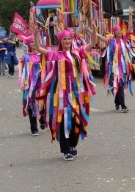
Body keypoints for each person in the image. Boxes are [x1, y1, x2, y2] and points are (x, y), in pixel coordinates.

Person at [30, 19, 97, 161]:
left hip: (77, 93)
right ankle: (65, 149)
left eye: (69, 39)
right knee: (62, 120)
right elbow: (39, 48)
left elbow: (92, 43)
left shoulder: (77, 53)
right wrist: (36, 35)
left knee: (76, 120)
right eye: (64, 39)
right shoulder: (55, 54)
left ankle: (73, 144)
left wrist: (94, 31)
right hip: (60, 95)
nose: (67, 41)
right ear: (60, 40)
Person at [96, 8, 135, 112]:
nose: (119, 31)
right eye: (117, 30)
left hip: (123, 68)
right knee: (117, 85)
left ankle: (119, 103)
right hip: (113, 68)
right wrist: (90, 29)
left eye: (120, 30)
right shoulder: (111, 41)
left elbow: (130, 29)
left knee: (121, 86)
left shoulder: (125, 39)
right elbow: (99, 37)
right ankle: (122, 105)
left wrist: (130, 15)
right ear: (114, 32)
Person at [17, 35, 46, 136]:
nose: (34, 43)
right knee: (30, 104)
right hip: (29, 86)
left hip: (41, 84)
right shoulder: (25, 57)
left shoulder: (42, 55)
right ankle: (33, 128)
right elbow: (22, 72)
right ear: (28, 44)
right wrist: (22, 83)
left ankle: (42, 119)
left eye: (36, 41)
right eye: (32, 42)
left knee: (42, 103)